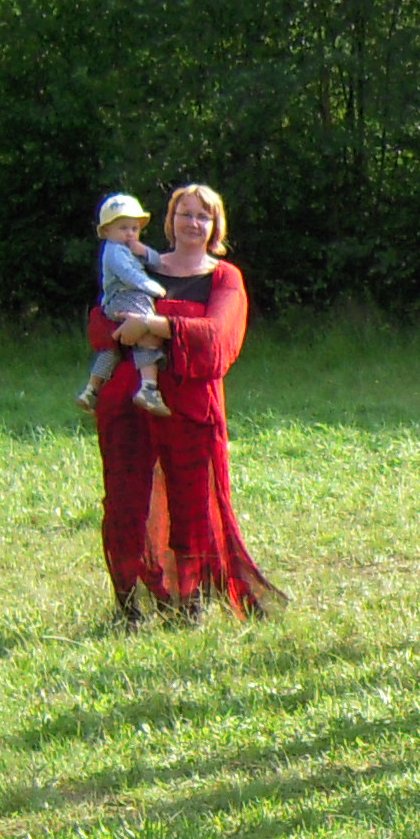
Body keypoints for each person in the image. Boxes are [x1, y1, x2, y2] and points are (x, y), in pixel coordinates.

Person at [91, 182, 276, 616]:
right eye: (184, 213)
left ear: (215, 225)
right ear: (170, 220)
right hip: (129, 403)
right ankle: (132, 603)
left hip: (192, 408)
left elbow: (217, 339)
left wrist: (152, 325)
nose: (193, 222)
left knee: (192, 504)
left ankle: (189, 601)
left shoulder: (224, 278)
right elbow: (101, 325)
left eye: (202, 215)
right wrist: (140, 327)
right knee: (125, 503)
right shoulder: (140, 265)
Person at [81, 193, 172, 416]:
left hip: (121, 300)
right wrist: (153, 288)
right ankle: (148, 388)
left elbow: (157, 261)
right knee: (147, 333)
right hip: (126, 297)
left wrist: (144, 251)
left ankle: (92, 389)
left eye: (134, 228)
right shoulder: (114, 251)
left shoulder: (128, 248)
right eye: (123, 228)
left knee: (113, 349)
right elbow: (129, 274)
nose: (130, 233)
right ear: (106, 231)